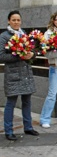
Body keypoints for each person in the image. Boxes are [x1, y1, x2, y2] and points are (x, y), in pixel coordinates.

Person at [0, 10, 39, 141]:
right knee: (11, 102)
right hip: (13, 74)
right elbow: (1, 56)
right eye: (14, 20)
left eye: (18, 20)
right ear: (8, 21)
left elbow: (33, 50)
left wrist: (32, 55)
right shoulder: (4, 36)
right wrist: (19, 55)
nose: (16, 22)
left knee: (27, 101)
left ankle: (28, 127)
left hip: (26, 73)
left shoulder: (24, 34)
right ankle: (8, 130)